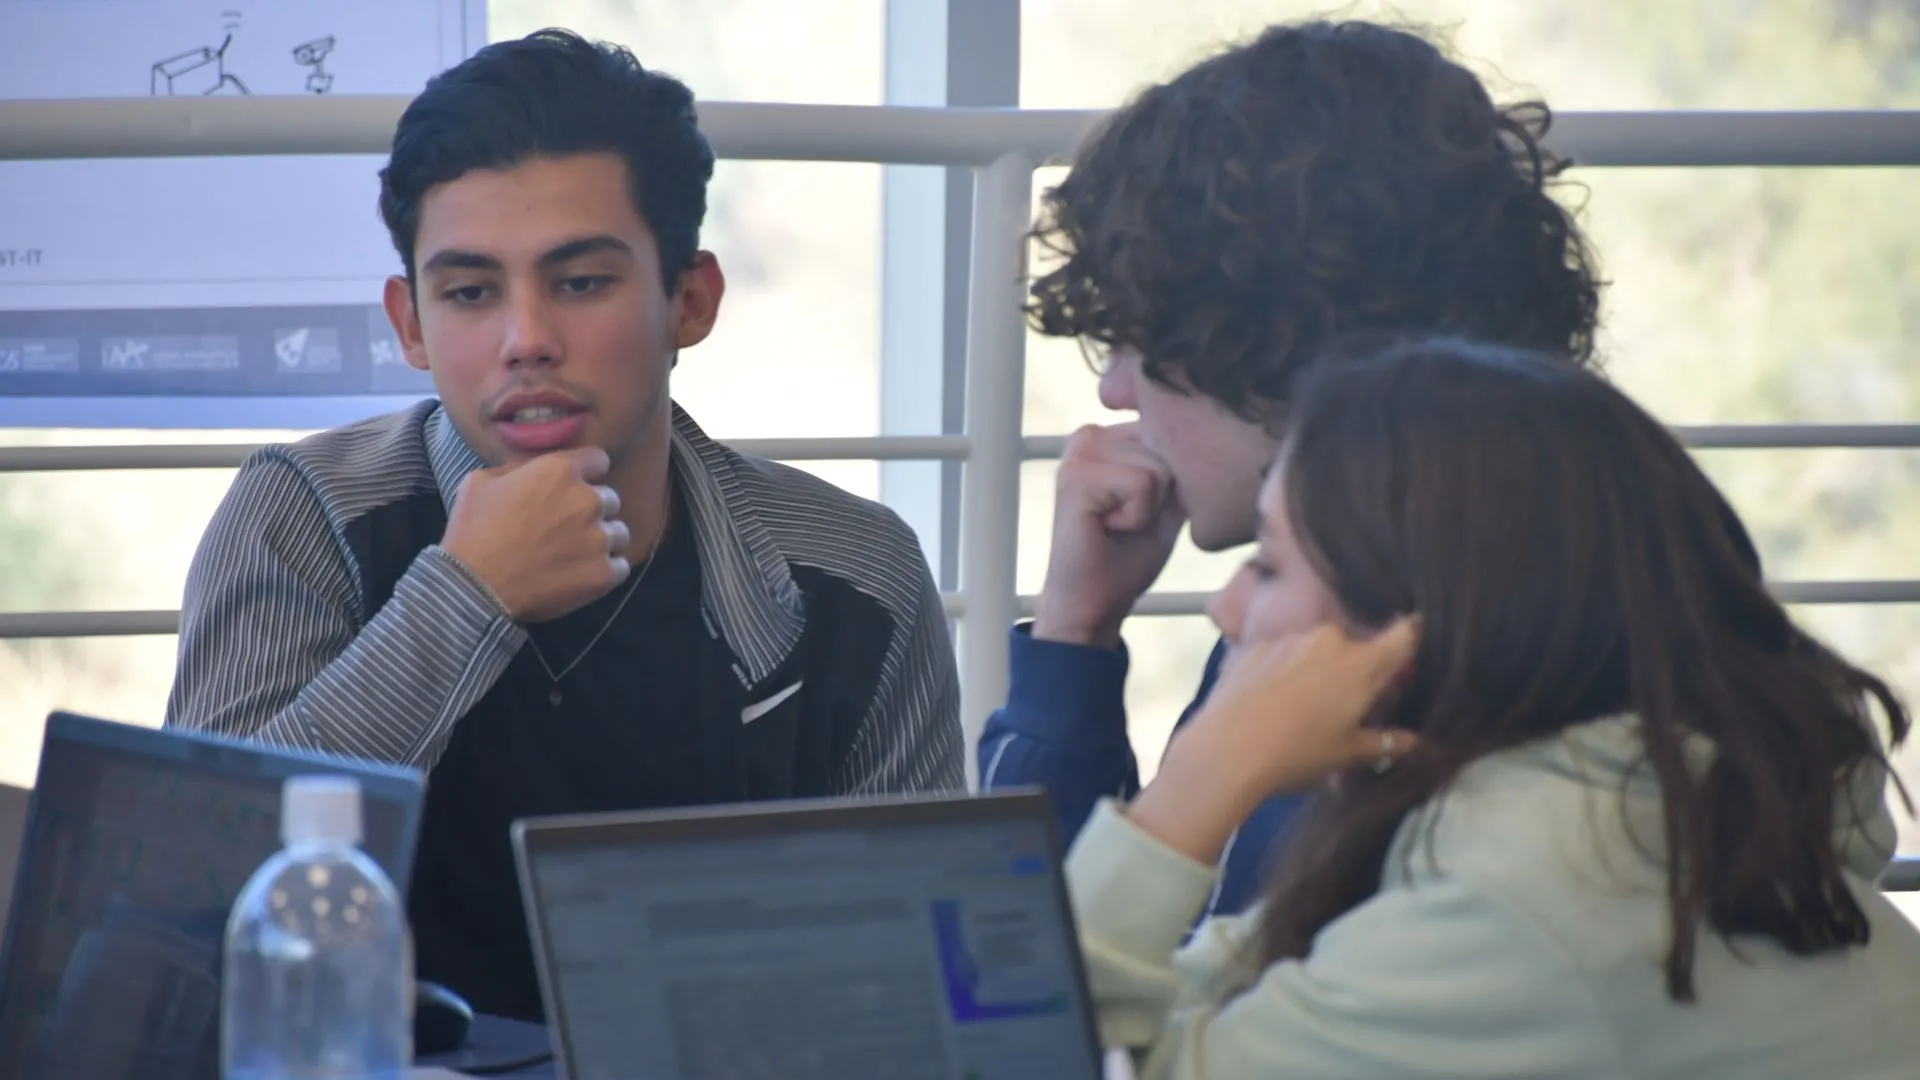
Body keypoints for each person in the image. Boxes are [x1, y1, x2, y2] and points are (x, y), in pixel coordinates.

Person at [165, 29, 962, 1021]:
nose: (526, 339)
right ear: (410, 325)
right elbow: (186, 915)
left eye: (581, 282)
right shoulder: (304, 516)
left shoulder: (857, 577)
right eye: (469, 292)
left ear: (690, 300)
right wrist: (466, 597)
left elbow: (914, 988)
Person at [1067, 337, 1920, 1078]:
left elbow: (1016, 1060)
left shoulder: (1532, 899)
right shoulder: (1631, 819)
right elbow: (1229, 996)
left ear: (1410, 628)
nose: (1226, 611)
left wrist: (1191, 791)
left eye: (1271, 563)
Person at [979, 18, 1605, 917]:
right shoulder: (1435, 588)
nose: (1116, 392)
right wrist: (1075, 631)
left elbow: (1034, 995)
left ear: (1270, 344)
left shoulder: (1421, 710)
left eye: (1137, 337)